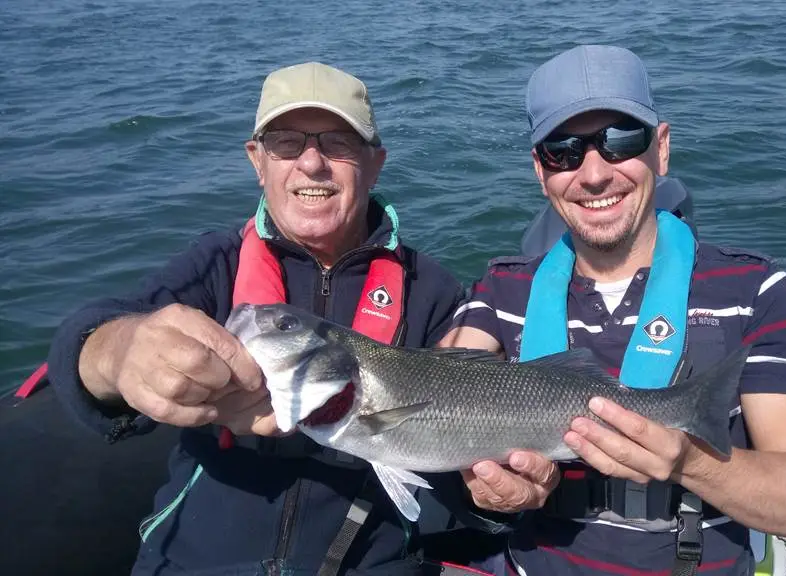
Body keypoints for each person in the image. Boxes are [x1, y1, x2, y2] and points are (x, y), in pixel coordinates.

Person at [45, 61, 469, 575]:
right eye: (287, 143)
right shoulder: (214, 265)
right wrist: (120, 352)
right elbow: (89, 339)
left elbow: (458, 449)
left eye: (337, 143)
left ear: (374, 163)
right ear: (257, 161)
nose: (312, 164)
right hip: (196, 562)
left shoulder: (435, 291)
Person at [438, 45, 786, 576]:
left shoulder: (754, 289)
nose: (595, 174)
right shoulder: (499, 292)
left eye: (621, 140)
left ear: (661, 149)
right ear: (540, 171)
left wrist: (690, 462)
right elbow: (430, 393)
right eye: (563, 151)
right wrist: (485, 488)